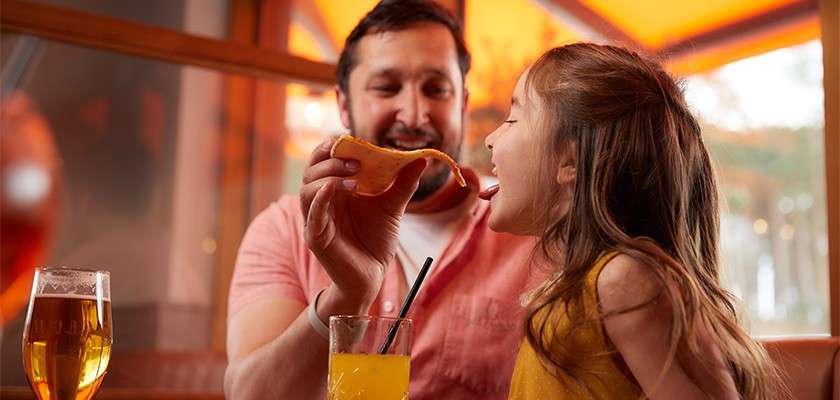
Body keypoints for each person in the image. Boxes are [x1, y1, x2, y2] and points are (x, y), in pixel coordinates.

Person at [224, 1, 539, 399]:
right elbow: (248, 395)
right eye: (387, 88)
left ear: (461, 103)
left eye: (436, 89)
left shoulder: (535, 231)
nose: (413, 114)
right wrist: (347, 295)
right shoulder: (285, 229)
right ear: (343, 103)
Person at [481, 43, 786, 399]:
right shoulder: (573, 291)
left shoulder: (622, 281)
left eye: (513, 119)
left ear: (571, 160)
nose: (490, 139)